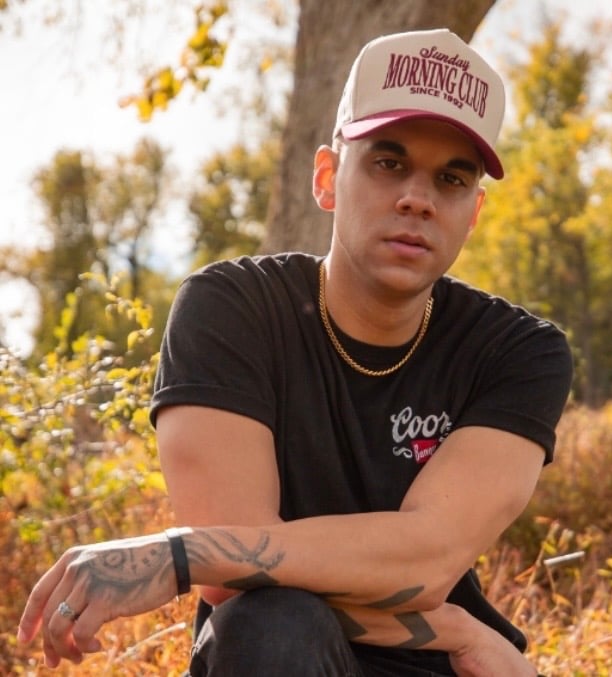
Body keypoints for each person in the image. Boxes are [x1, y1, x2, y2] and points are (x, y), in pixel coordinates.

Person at [18, 28, 572, 676]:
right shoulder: (232, 310)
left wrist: (177, 556)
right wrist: (454, 628)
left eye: (450, 178)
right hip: (287, 654)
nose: (417, 199)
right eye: (388, 163)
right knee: (271, 621)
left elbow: (426, 557)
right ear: (327, 177)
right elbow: (237, 581)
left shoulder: (517, 351)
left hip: (439, 669)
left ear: (472, 213)